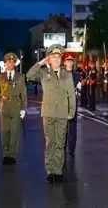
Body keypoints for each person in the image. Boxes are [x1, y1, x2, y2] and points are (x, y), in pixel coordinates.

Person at [26, 44, 76, 184]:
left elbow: (71, 94)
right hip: (48, 113)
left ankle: (58, 171)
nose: (56, 60)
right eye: (53, 57)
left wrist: (71, 111)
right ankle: (50, 171)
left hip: (62, 113)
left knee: (60, 143)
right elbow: (29, 75)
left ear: (61, 59)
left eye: (58, 57)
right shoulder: (43, 73)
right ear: (49, 59)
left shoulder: (67, 74)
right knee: (50, 143)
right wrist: (41, 62)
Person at [0, 52, 27, 165]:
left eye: (12, 62)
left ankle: (12, 155)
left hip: (16, 107)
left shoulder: (20, 77)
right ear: (5, 63)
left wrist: (23, 108)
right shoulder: (0, 77)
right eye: (8, 61)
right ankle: (5, 154)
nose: (10, 64)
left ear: (15, 64)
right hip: (4, 107)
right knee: (4, 131)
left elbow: (24, 94)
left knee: (14, 132)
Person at [63, 52, 81, 158]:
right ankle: (63, 147)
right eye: (68, 61)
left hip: (73, 104)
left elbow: (79, 93)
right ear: (64, 62)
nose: (70, 63)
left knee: (73, 127)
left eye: (71, 61)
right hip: (63, 104)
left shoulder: (77, 75)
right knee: (63, 127)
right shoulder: (61, 75)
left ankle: (72, 149)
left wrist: (79, 89)